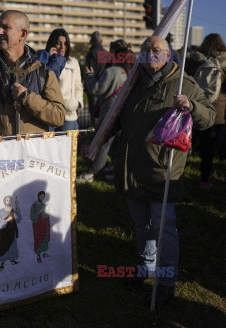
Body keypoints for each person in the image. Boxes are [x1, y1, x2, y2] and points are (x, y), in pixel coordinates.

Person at [83, 36, 215, 304]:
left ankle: (165, 280)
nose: (150, 54)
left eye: (156, 50)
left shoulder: (183, 84)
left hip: (161, 170)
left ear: (168, 55)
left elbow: (209, 117)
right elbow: (115, 120)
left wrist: (191, 106)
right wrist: (95, 143)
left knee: (163, 226)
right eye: (145, 50)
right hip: (131, 166)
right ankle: (146, 267)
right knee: (141, 224)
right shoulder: (133, 83)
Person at [0, 10, 66, 138]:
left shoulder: (43, 72)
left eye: (5, 27)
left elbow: (59, 117)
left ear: (23, 34)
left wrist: (27, 97)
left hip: (30, 156)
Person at [78, 40, 135, 183]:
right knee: (118, 145)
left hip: (110, 113)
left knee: (102, 145)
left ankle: (92, 173)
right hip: (125, 115)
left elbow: (97, 89)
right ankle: (115, 170)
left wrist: (89, 76)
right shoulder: (132, 71)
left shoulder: (112, 71)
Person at [193, 33, 226, 189]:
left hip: (194, 105)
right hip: (217, 111)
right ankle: (205, 180)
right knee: (209, 147)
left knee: (188, 139)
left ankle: (175, 170)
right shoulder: (224, 62)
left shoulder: (195, 59)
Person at [38, 28, 83, 131]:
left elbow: (78, 85)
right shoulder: (44, 60)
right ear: (52, 44)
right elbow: (42, 83)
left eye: (65, 44)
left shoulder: (73, 62)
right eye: (59, 43)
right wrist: (51, 61)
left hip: (69, 114)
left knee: (67, 146)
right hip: (49, 112)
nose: (63, 47)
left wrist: (76, 103)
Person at [85, 31, 107, 124]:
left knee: (94, 115)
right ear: (101, 41)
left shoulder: (91, 53)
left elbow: (88, 71)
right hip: (105, 88)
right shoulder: (107, 54)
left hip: (93, 87)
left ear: (91, 41)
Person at [0, 195, 22, 272]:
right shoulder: (0, 211)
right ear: (4, 201)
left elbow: (19, 219)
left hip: (12, 232)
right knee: (4, 247)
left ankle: (12, 260)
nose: (8, 201)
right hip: (4, 233)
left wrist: (17, 206)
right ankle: (3, 262)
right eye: (7, 200)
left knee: (12, 246)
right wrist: (7, 220)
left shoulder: (13, 211)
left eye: (10, 200)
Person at [29, 191, 50, 263]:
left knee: (44, 239)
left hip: (44, 225)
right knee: (38, 240)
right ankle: (38, 256)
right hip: (37, 226)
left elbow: (46, 216)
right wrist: (39, 212)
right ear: (38, 196)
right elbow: (32, 217)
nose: (42, 198)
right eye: (41, 196)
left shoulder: (44, 204)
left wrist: (47, 212)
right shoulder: (34, 205)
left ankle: (44, 253)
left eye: (43, 197)